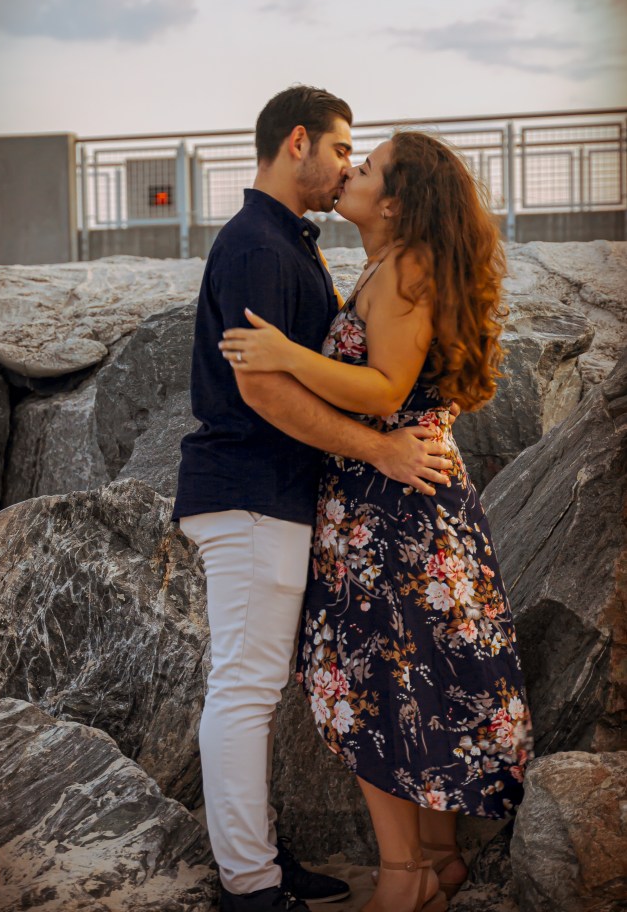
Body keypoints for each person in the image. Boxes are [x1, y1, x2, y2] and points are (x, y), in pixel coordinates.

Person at [219, 131, 535, 912]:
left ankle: (403, 876)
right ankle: (438, 858)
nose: (349, 173)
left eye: (364, 168)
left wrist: (285, 354)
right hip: (400, 501)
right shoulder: (394, 267)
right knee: (414, 675)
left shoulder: (402, 269)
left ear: (394, 203)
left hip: (389, 509)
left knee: (373, 685)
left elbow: (387, 387)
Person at [173, 88, 454, 912]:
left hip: (271, 497)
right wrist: (381, 449)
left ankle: (256, 854)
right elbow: (262, 391)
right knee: (245, 686)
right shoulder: (258, 245)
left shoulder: (284, 241)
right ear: (297, 141)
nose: (345, 167)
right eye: (339, 150)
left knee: (256, 685)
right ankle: (249, 882)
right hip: (251, 495)